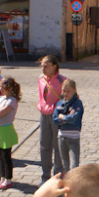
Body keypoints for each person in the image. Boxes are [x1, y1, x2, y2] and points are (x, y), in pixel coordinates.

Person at [0, 77, 21, 190]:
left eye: (3, 87)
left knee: (6, 156)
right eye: (0, 86)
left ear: (10, 88)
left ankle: (8, 179)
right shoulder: (0, 98)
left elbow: (0, 112)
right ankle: (2, 178)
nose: (1, 89)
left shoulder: (12, 100)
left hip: (6, 130)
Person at [37, 55, 66, 183]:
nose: (43, 68)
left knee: (57, 146)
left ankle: (58, 177)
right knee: (44, 145)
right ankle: (45, 176)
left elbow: (71, 98)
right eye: (42, 65)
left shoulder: (62, 80)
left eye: (46, 66)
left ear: (54, 67)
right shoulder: (41, 79)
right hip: (44, 115)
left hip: (56, 116)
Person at [53, 79, 84, 172]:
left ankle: (74, 184)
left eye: (68, 91)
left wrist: (62, 117)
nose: (65, 93)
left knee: (74, 165)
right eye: (63, 91)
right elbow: (55, 118)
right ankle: (67, 183)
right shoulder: (60, 103)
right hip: (62, 136)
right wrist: (65, 119)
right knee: (65, 164)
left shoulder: (77, 103)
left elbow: (74, 118)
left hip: (73, 137)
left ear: (74, 90)